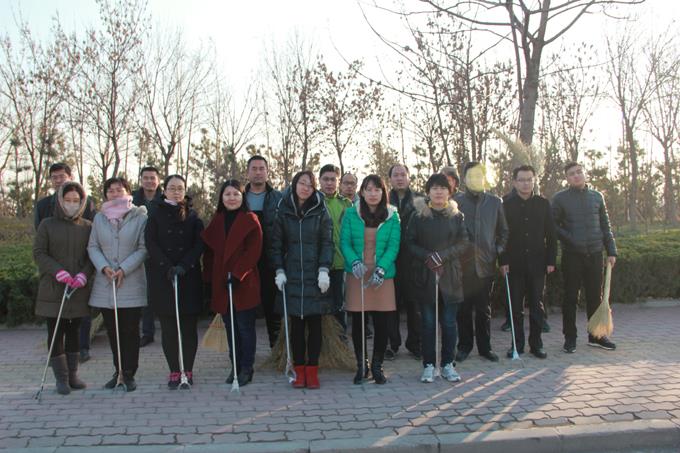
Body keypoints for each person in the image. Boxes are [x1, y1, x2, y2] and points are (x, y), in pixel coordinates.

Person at [269, 170, 334, 389]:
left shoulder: (320, 209)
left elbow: (327, 242)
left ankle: (313, 371)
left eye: (310, 185)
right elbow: (276, 244)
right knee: (296, 325)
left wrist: (324, 269)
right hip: (292, 274)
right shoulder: (283, 209)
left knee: (315, 324)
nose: (306, 188)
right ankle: (299, 371)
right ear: (294, 184)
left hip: (315, 274)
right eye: (302, 183)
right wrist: (279, 270)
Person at [33, 181, 94, 394]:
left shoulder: (88, 226)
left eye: (76, 200)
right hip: (54, 286)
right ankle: (61, 378)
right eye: (67, 200)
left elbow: (92, 255)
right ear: (60, 201)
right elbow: (39, 252)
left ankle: (73, 375)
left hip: (78, 288)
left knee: (74, 330)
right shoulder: (47, 224)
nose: (71, 204)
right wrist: (57, 271)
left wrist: (84, 275)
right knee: (56, 331)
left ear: (82, 202)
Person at [406, 174, 469, 382]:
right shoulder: (418, 216)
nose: (439, 192)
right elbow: (410, 242)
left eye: (443, 188)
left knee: (449, 323)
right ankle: (429, 365)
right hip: (426, 275)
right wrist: (428, 256)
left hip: (450, 276)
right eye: (434, 188)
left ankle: (448, 364)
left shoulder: (457, 216)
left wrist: (442, 256)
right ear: (428, 192)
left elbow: (464, 243)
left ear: (449, 192)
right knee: (428, 324)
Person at [88, 177, 148, 391]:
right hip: (106, 283)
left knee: (130, 331)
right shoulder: (99, 218)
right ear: (105, 194)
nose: (115, 194)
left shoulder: (140, 217)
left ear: (128, 192)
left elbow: (143, 248)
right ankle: (118, 371)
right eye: (111, 190)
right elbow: (92, 246)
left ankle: (129, 373)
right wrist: (103, 267)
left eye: (119, 190)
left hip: (130, 281)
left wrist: (124, 268)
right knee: (113, 331)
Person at [145, 175, 204, 389]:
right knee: (169, 329)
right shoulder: (154, 214)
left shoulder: (193, 216)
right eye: (172, 188)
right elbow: (150, 243)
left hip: (188, 277)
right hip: (164, 278)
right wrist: (166, 266)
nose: (176, 192)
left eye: (180, 188)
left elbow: (199, 244)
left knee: (188, 329)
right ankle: (174, 370)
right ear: (165, 191)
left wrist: (185, 265)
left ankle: (188, 369)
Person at [202, 179, 263, 387]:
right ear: (221, 198)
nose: (231, 198)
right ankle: (235, 365)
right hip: (222, 283)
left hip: (244, 282)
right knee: (230, 328)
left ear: (242, 197)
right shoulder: (217, 220)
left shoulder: (250, 219)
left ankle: (247, 367)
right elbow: (209, 252)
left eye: (236, 194)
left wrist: (237, 274)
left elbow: (253, 252)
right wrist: (208, 278)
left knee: (245, 327)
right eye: (227, 194)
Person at [341, 174, 400, 385]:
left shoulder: (392, 215)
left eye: (377, 189)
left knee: (382, 322)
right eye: (369, 189)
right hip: (357, 273)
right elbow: (344, 242)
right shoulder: (351, 213)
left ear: (383, 192)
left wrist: (382, 268)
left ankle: (377, 366)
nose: (373, 194)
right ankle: (362, 366)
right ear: (362, 192)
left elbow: (393, 245)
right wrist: (354, 261)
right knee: (358, 322)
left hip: (382, 276)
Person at [552, 162, 617, 353]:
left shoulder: (597, 197)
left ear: (585, 173)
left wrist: (611, 251)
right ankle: (570, 338)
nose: (576, 175)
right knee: (570, 297)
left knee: (595, 297)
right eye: (572, 173)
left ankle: (596, 336)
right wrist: (571, 238)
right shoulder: (560, 199)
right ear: (567, 178)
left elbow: (605, 225)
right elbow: (553, 225)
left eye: (579, 172)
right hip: (572, 255)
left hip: (595, 253)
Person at [499, 165, 557, 359]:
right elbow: (501, 235)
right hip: (513, 264)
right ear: (515, 182)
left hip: (538, 264)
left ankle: (536, 345)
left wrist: (551, 260)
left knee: (537, 306)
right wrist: (502, 260)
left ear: (534, 181)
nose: (526, 183)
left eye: (529, 179)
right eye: (522, 180)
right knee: (515, 308)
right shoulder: (505, 204)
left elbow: (551, 235)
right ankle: (517, 345)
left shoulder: (543, 204)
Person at [454, 162, 509, 363]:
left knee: (484, 309)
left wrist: (496, 250)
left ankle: (485, 348)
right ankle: (464, 346)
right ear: (465, 179)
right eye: (470, 176)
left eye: (478, 176)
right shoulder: (456, 202)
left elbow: (504, 231)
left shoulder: (495, 202)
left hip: (486, 264)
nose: (474, 179)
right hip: (462, 265)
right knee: (463, 310)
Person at [245, 155, 282, 348]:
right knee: (247, 308)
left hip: (271, 259)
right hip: (246, 261)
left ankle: (276, 350)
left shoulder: (279, 198)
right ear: (247, 172)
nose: (258, 172)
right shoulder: (239, 198)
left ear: (267, 172)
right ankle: (246, 353)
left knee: (272, 307)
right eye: (254, 168)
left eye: (262, 169)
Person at [387, 164, 421, 359]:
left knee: (414, 305)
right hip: (390, 260)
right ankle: (392, 344)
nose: (399, 178)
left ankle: (415, 343)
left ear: (409, 177)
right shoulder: (384, 201)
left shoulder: (420, 201)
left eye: (403, 174)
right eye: (395, 175)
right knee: (391, 305)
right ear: (390, 179)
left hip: (413, 261)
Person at [132, 166, 164, 348]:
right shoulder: (133, 199)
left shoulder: (164, 199)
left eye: (153, 178)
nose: (149, 181)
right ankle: (147, 332)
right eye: (146, 178)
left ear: (158, 180)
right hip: (137, 250)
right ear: (141, 180)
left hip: (160, 251)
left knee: (159, 293)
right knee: (144, 295)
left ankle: (168, 330)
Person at [319, 164, 352, 332]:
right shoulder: (314, 202)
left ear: (338, 182)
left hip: (340, 262)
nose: (329, 183)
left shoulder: (346, 204)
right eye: (326, 179)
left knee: (339, 304)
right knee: (321, 304)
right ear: (319, 180)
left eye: (333, 179)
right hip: (318, 264)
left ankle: (340, 339)